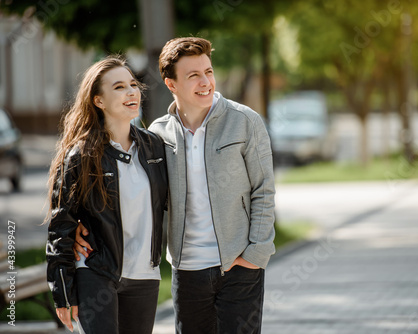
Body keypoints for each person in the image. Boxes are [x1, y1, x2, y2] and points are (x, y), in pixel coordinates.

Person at [75, 37, 276, 333]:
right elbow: (135, 189)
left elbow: (263, 190)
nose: (205, 82)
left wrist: (255, 255)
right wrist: (84, 221)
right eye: (193, 75)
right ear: (171, 85)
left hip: (239, 267)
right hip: (187, 270)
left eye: (208, 72)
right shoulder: (156, 135)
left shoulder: (244, 122)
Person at [45, 56, 168, 334]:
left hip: (144, 275)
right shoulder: (81, 155)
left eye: (133, 85)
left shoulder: (154, 148)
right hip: (96, 272)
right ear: (98, 100)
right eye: (119, 87)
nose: (131, 92)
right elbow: (59, 226)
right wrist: (63, 292)